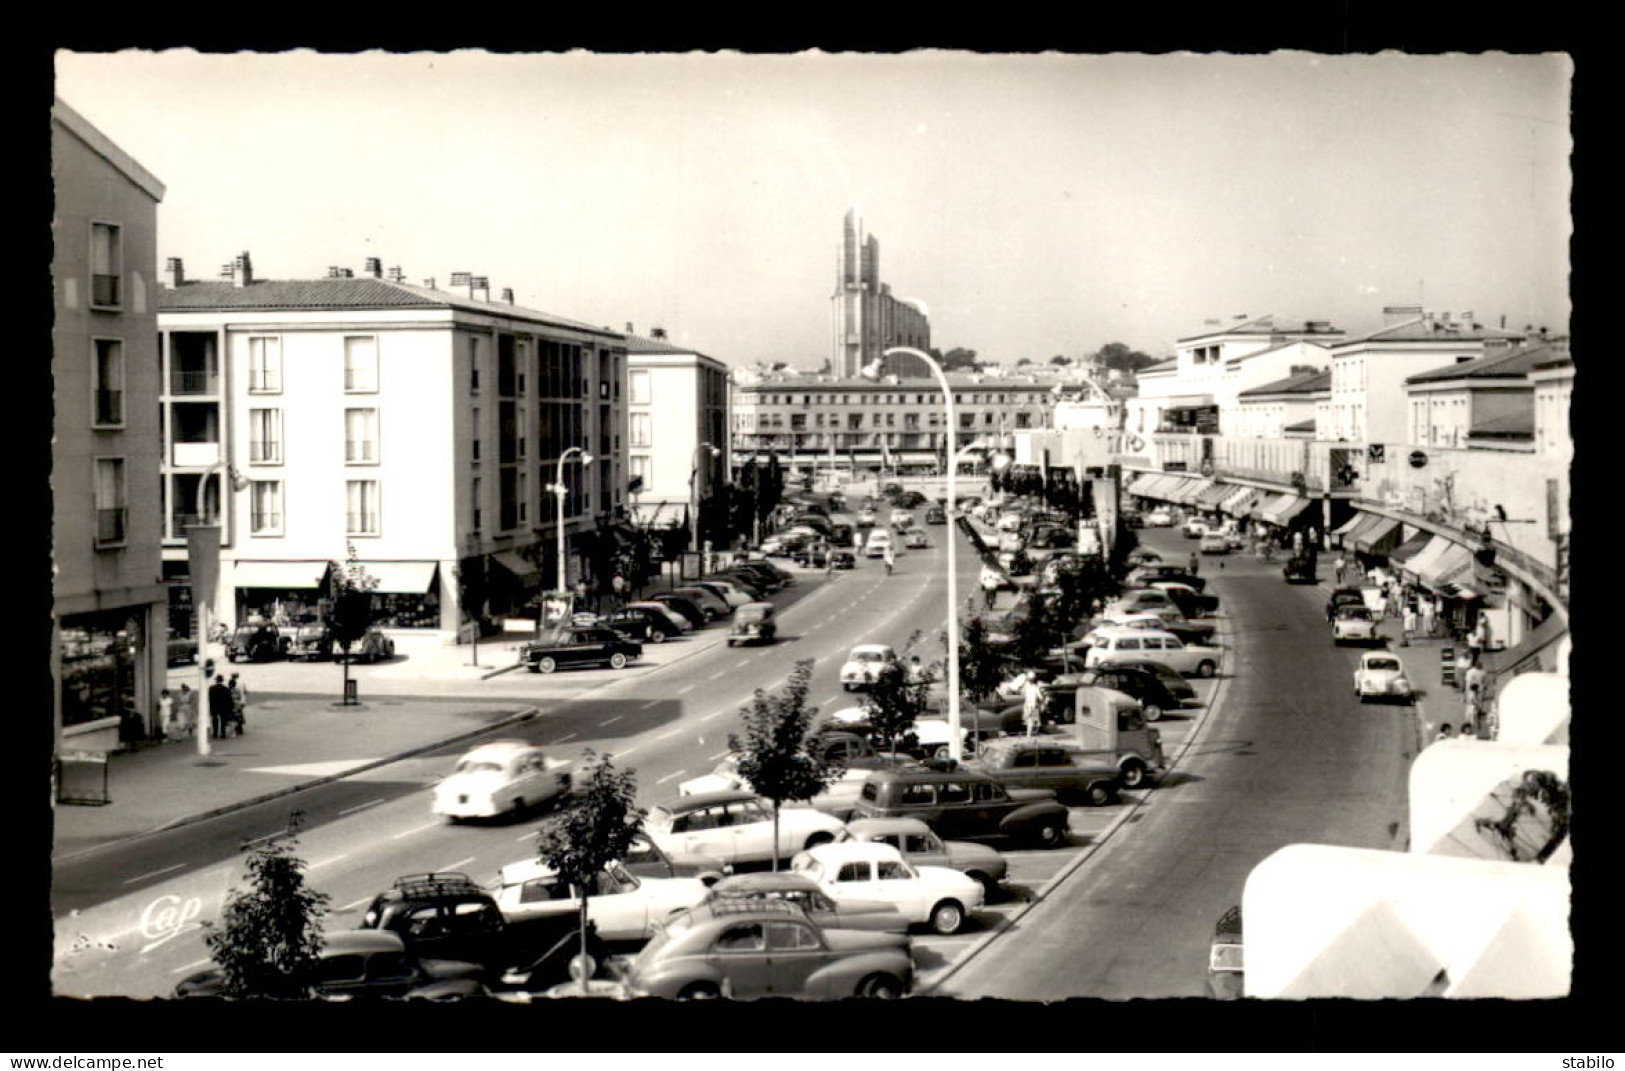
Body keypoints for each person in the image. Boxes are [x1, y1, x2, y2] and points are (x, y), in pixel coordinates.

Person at [208, 675, 233, 740]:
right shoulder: (226, 689)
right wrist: (230, 708)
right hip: (223, 706)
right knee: (223, 720)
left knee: (215, 719)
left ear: (216, 680)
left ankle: (215, 733)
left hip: (214, 706)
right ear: (222, 680)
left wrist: (210, 707)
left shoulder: (211, 688)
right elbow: (229, 699)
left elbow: (209, 699)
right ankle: (222, 733)